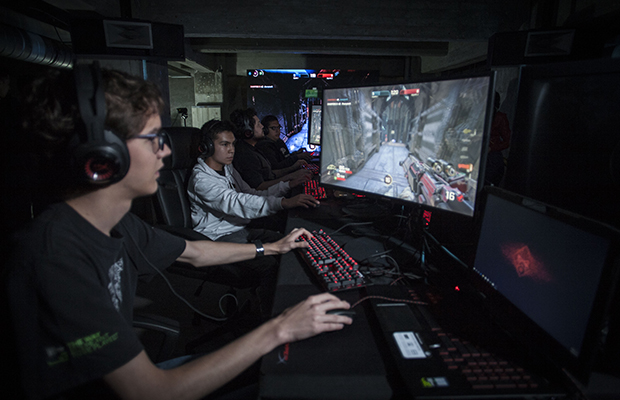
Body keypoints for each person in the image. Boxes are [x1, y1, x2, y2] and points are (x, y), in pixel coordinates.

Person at [1, 64, 353, 400]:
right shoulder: (57, 257)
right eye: (153, 139)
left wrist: (273, 248)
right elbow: (150, 392)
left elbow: (195, 251)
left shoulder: (115, 223)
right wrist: (279, 328)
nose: (166, 150)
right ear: (103, 158)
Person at [188, 118, 319, 243]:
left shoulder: (227, 168)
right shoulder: (201, 180)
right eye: (224, 144)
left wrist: (288, 185)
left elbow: (251, 193)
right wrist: (283, 202)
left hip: (240, 226)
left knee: (295, 237)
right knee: (281, 252)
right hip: (219, 236)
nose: (231, 150)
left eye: (233, 144)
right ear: (208, 147)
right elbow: (235, 202)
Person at [230, 108, 311, 190]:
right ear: (248, 132)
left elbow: (270, 174)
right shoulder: (245, 155)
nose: (262, 126)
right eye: (258, 124)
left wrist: (293, 169)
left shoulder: (252, 148)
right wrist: (291, 177)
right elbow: (259, 187)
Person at [485, 92, 511, 186]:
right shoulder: (482, 114)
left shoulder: (500, 117)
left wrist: (491, 148)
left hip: (492, 157)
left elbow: (507, 141)